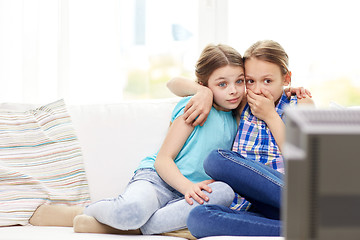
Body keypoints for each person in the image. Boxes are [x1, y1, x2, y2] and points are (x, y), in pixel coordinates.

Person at [29, 43, 246, 236]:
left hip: (191, 194)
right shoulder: (196, 107)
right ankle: (86, 214)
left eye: (239, 81)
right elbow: (163, 160)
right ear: (204, 84)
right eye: (222, 84)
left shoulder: (237, 114)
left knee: (225, 192)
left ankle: (134, 226)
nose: (233, 91)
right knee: (130, 212)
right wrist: (202, 93)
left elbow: (271, 91)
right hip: (159, 180)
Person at [166, 40, 314, 237]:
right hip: (251, 207)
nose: (259, 89)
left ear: (286, 78)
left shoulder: (301, 104)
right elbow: (172, 83)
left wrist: (270, 115)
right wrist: (203, 91)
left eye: (268, 81)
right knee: (198, 217)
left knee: (215, 159)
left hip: (290, 197)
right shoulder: (243, 102)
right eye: (251, 81)